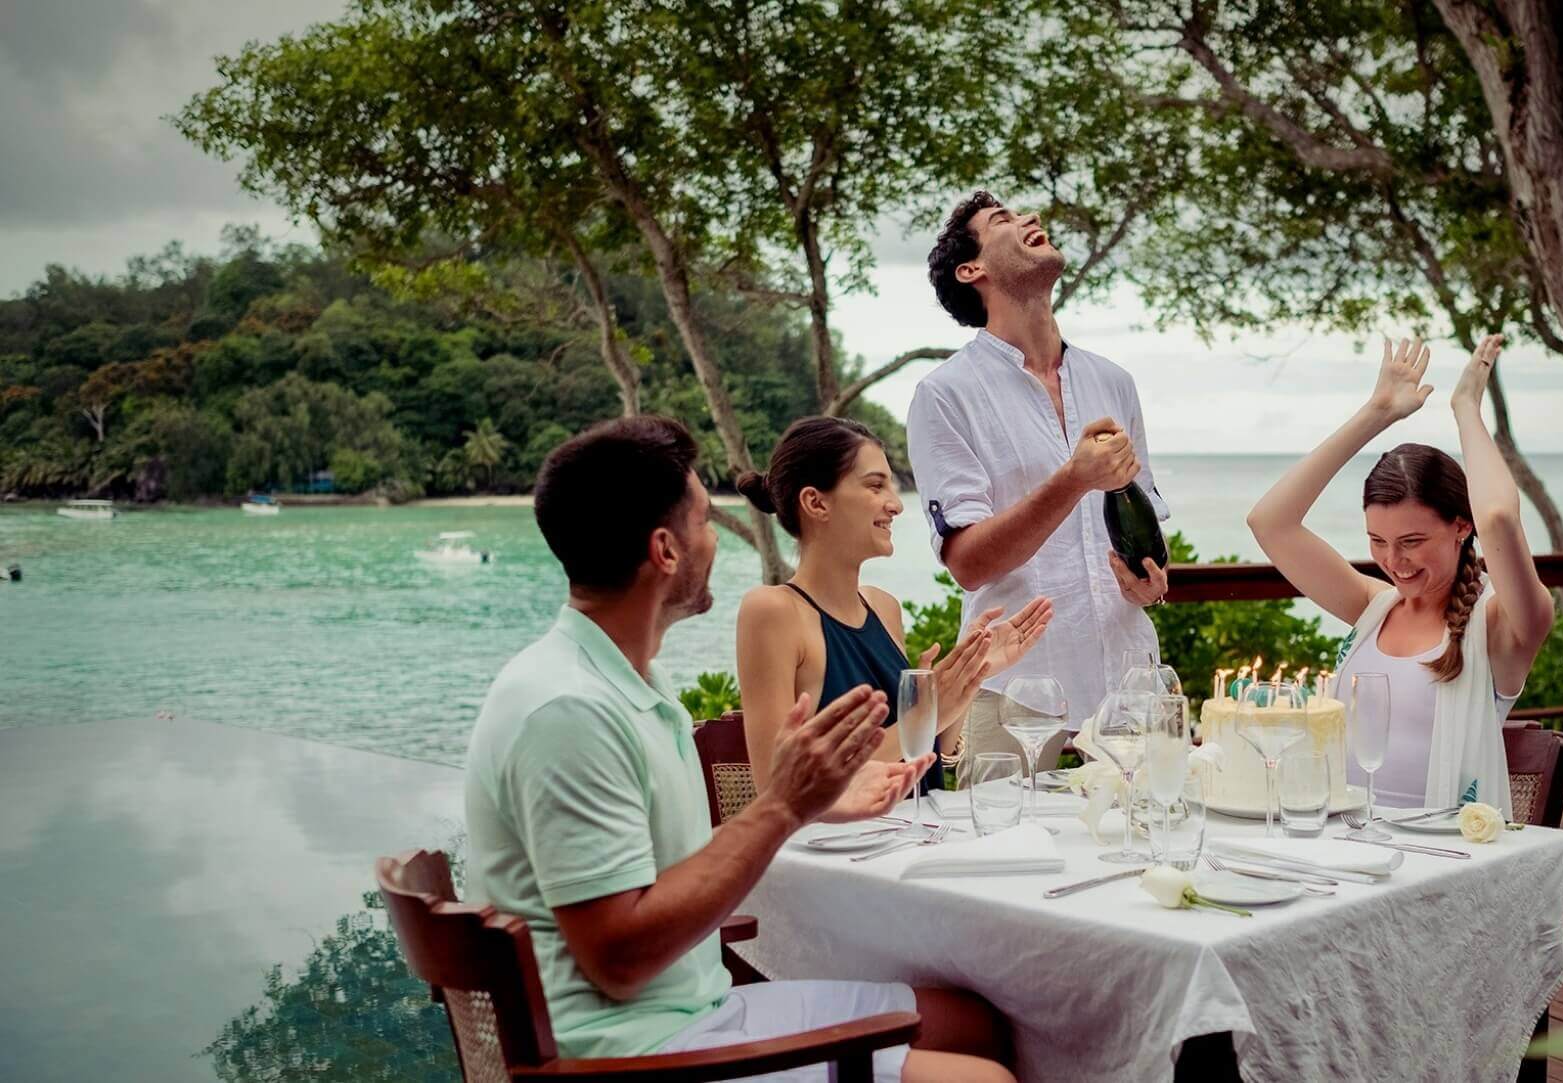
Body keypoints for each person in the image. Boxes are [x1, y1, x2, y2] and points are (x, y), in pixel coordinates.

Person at [463, 416, 1016, 1082]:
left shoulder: (632, 679)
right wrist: (782, 806)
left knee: (975, 1021)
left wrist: (811, 802)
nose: (716, 539)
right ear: (665, 550)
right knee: (982, 1079)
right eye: (704, 522)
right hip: (634, 1055)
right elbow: (618, 957)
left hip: (699, 1009)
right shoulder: (567, 709)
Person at [910, 191, 1170, 774]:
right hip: (1014, 700)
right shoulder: (944, 395)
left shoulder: (1114, 382)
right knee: (1008, 860)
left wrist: (1148, 580)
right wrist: (1074, 480)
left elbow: (1147, 538)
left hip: (1131, 692)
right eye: (1003, 220)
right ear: (971, 270)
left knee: (1146, 854)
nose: (1030, 220)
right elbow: (970, 563)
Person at [1245, 336, 1557, 818]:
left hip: (1445, 860)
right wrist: (1377, 412)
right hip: (1340, 841)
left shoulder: (1501, 624)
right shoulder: (1372, 606)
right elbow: (1270, 522)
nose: (1395, 561)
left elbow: (1498, 517)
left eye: (1411, 541)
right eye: (1378, 541)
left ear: (1461, 524)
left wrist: (1466, 409)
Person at [735, 416, 1053, 796]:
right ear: (815, 502)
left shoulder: (883, 608)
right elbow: (778, 785)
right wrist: (923, 716)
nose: (895, 505)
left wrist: (970, 674)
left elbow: (921, 755)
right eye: (875, 486)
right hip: (834, 850)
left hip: (912, 835)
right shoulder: (772, 612)